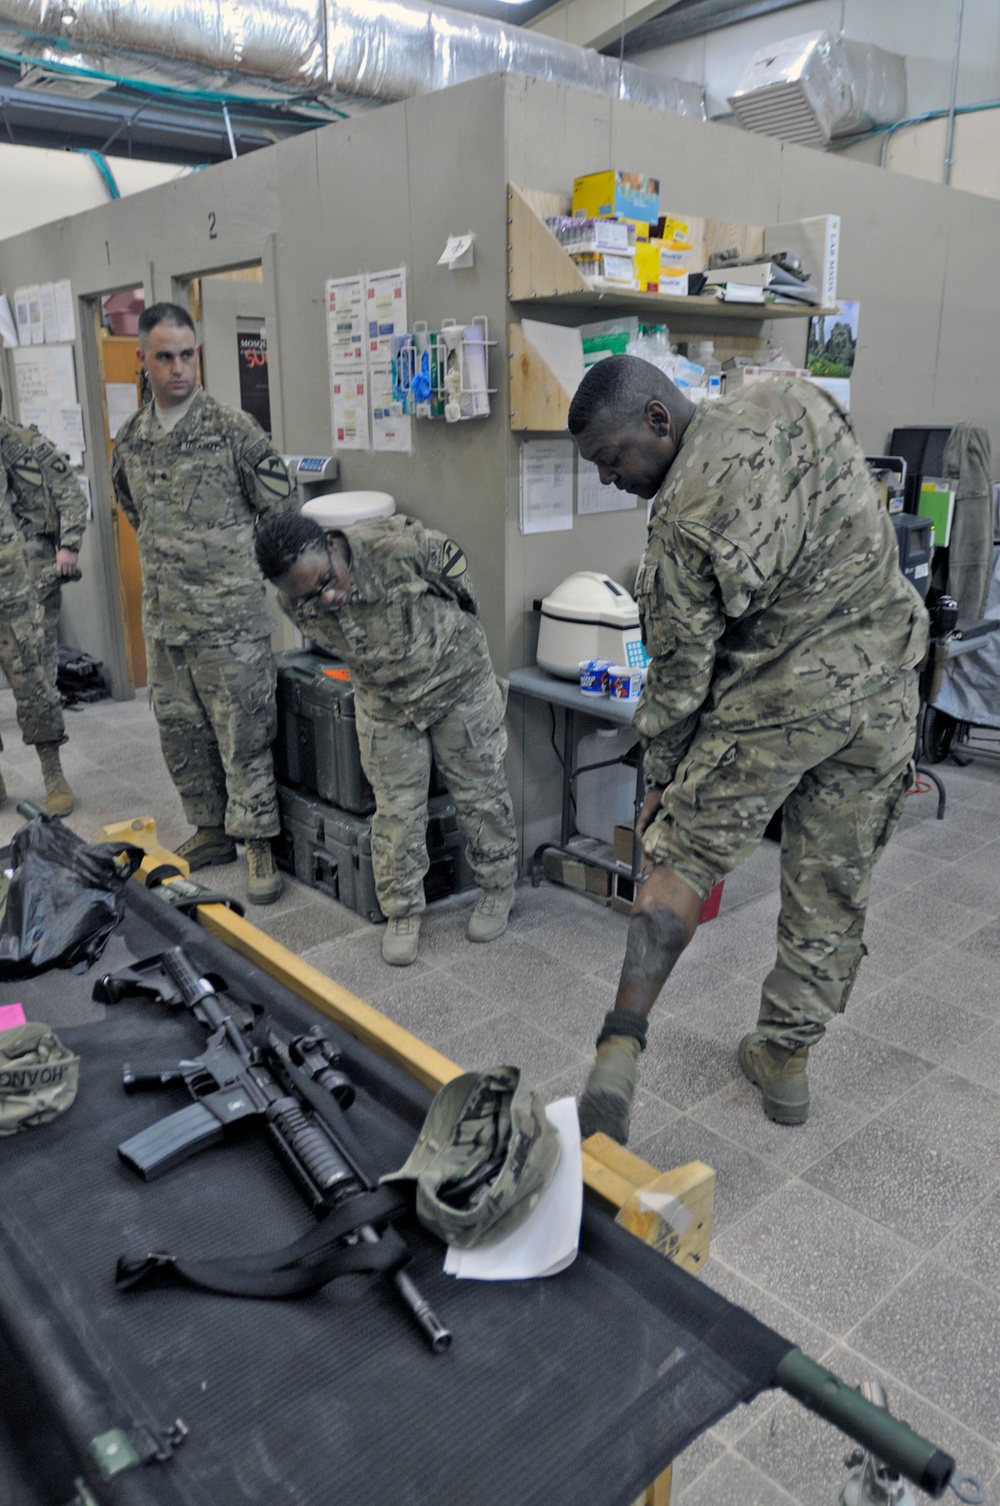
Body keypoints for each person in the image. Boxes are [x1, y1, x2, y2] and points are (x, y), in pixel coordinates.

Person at [567, 356, 928, 1143]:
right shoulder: (790, 394)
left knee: (680, 864)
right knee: (832, 883)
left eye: (611, 458)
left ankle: (619, 1049)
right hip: (884, 679)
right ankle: (785, 1064)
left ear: (658, 421)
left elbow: (680, 677)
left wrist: (660, 778)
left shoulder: (678, 527)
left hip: (776, 703)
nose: (608, 479)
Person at [254, 510, 518, 965]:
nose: (328, 596)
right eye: (311, 596)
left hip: (456, 680)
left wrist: (446, 640)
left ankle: (498, 886)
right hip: (384, 699)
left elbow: (462, 591)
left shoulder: (400, 548)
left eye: (327, 580)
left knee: (479, 791)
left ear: (332, 546)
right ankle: (402, 910)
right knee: (396, 809)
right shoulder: (294, 600)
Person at [111, 302, 294, 904]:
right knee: (182, 734)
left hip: (230, 622)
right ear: (143, 360)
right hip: (166, 623)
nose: (178, 369)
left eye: (187, 355)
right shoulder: (132, 441)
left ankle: (260, 841)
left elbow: (281, 513)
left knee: (244, 733)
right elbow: (135, 512)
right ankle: (211, 830)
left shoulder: (233, 430)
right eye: (164, 357)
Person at [0, 440, 72, 813]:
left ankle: (53, 772)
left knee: (34, 680)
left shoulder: (14, 443)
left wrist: (66, 545)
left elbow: (62, 493)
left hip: (15, 586)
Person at [0, 388, 88, 687]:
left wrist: (69, 545)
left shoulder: (27, 444)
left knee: (36, 650)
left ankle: (46, 717)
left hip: (30, 560)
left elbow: (70, 494)